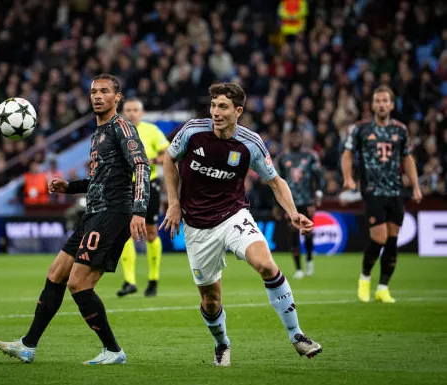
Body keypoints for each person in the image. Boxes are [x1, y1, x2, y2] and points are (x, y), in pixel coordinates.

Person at [160, 83, 322, 367]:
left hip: (233, 215)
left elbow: (275, 181)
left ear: (238, 111)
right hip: (197, 225)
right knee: (210, 300)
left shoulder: (250, 143)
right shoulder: (192, 131)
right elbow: (168, 159)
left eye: (222, 107)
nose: (215, 112)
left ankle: (297, 335)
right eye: (213, 106)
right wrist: (174, 203)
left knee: (267, 266)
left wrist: (294, 213)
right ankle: (222, 344)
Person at [0, 74, 151, 365]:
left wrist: (140, 209)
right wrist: (70, 187)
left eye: (104, 91)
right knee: (56, 274)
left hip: (113, 213)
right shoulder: (98, 133)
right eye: (94, 91)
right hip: (93, 213)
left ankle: (113, 351)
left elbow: (141, 165)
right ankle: (28, 345)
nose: (97, 96)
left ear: (117, 98)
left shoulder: (122, 128)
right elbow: (100, 179)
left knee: (78, 284)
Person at [341, 85, 422, 304]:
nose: (381, 104)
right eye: (378, 101)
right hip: (373, 191)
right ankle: (365, 279)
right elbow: (347, 154)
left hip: (396, 191)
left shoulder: (400, 130)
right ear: (373, 105)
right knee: (379, 238)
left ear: (392, 105)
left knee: (393, 241)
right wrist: (348, 178)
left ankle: (383, 287)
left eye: (385, 101)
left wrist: (415, 186)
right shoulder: (361, 129)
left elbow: (408, 158)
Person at [117, 98, 170, 298]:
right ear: (123, 112)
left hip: (148, 185)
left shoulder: (152, 131)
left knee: (150, 233)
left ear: (142, 112)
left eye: (135, 110)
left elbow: (168, 154)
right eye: (128, 110)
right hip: (124, 186)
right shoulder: (117, 131)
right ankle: (129, 281)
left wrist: (151, 160)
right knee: (124, 233)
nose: (131, 113)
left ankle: (153, 280)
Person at [276, 131, 325, 279]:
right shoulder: (282, 158)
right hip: (290, 203)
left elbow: (319, 177)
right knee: (293, 234)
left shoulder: (310, 156)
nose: (295, 140)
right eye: (293, 137)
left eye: (298, 137)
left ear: (302, 139)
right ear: (288, 139)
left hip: (307, 200)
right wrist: (278, 205)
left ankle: (309, 260)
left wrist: (318, 193)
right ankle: (298, 268)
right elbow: (277, 182)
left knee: (308, 233)